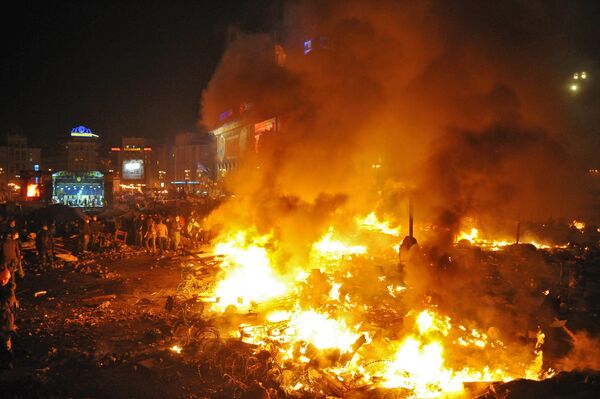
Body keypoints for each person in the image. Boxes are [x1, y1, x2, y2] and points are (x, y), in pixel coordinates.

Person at [0, 267, 16, 368]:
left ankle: (10, 361)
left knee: (5, 343)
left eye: (4, 279)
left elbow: (4, 305)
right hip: (3, 320)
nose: (2, 281)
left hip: (5, 322)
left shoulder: (9, 292)